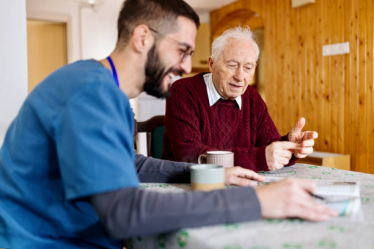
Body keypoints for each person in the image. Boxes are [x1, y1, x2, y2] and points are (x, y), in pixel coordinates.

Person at [0, 1, 337, 248]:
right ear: (143, 37)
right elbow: (123, 211)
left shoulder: (110, 94)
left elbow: (133, 163)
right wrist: (260, 202)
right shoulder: (87, 92)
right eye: (182, 50)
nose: (187, 65)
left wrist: (209, 173)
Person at [162, 26, 318, 172]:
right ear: (212, 64)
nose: (240, 76)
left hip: (239, 186)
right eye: (232, 65)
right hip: (188, 186)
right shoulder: (183, 91)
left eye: (248, 68)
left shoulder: (251, 96)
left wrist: (290, 146)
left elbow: (268, 147)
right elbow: (189, 155)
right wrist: (258, 158)